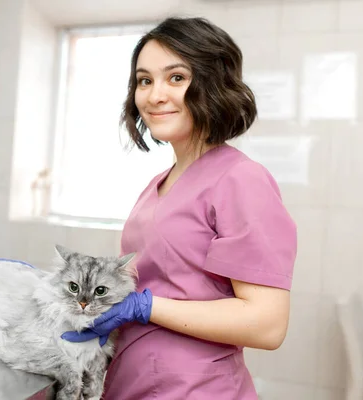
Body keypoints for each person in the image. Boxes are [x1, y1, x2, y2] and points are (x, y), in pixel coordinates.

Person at [61, 16, 297, 399]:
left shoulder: (240, 179)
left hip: (196, 389)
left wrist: (145, 307)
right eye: (144, 80)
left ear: (213, 84)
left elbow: (267, 324)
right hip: (134, 381)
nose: (154, 95)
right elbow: (163, 278)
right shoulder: (160, 183)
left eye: (176, 78)